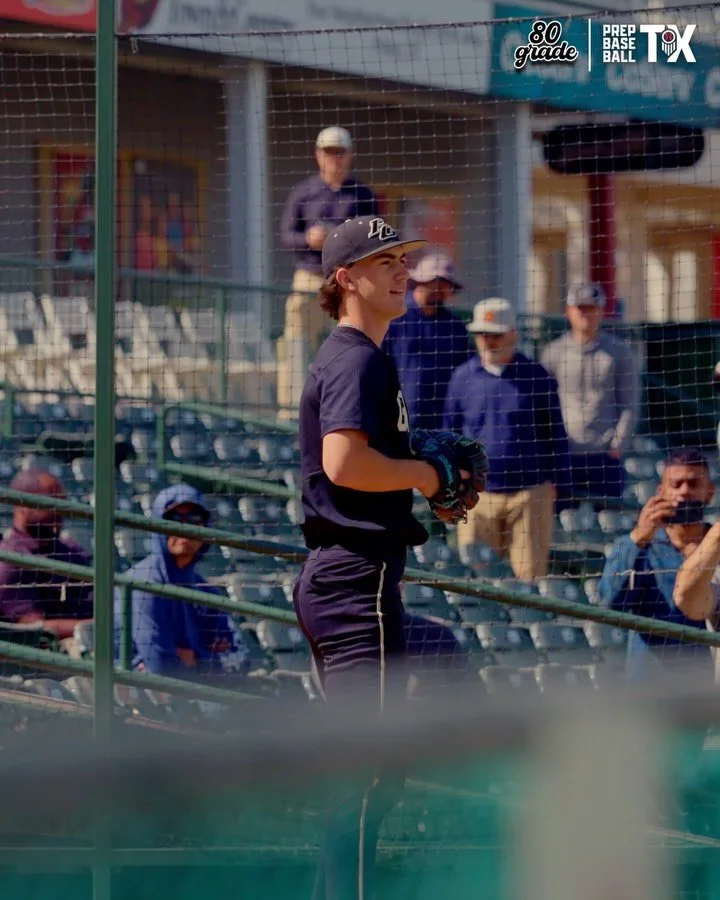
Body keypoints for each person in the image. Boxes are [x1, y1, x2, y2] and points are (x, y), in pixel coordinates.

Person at [292, 214, 474, 900]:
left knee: (367, 772)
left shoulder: (362, 355)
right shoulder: (355, 354)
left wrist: (413, 458)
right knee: (365, 775)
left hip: (355, 581)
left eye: (402, 256)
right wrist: (427, 477)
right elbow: (343, 462)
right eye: (384, 260)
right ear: (345, 279)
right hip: (352, 579)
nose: (402, 268)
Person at [443, 297, 571, 582]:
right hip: (477, 496)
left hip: (529, 495)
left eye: (495, 333)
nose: (488, 340)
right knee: (477, 581)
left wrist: (555, 484)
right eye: (482, 334)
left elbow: (556, 435)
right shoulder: (461, 378)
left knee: (528, 580)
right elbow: (449, 436)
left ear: (513, 333)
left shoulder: (537, 376)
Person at [277, 127, 379, 417]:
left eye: (340, 152)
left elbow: (376, 234)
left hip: (348, 278)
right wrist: (308, 239)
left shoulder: (362, 194)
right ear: (317, 155)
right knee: (296, 339)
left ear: (350, 155)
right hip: (309, 276)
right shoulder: (303, 192)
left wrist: (342, 237)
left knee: (350, 341)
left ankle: (346, 406)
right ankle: (292, 410)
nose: (334, 157)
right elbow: (286, 234)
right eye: (328, 151)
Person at [599, 448, 716, 682]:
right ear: (661, 492)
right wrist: (638, 540)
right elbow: (610, 604)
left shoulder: (717, 543)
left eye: (693, 484)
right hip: (652, 688)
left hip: (708, 688)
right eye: (677, 484)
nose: (684, 491)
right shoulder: (639, 547)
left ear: (709, 493)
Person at [115, 484, 249, 682]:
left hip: (195, 693)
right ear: (158, 525)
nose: (184, 528)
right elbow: (161, 666)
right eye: (175, 519)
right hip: (137, 696)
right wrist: (212, 661)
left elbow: (243, 659)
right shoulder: (143, 583)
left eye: (194, 520)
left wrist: (196, 658)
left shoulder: (205, 589)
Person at [540, 281, 640, 501]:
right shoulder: (553, 352)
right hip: (564, 453)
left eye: (592, 308)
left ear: (601, 311)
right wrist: (550, 447)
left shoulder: (620, 352)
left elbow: (629, 403)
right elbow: (543, 404)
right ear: (568, 311)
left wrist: (617, 444)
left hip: (604, 454)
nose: (586, 314)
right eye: (580, 307)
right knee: (561, 518)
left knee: (610, 521)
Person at [0, 470, 93, 641]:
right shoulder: (9, 560)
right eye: (51, 503)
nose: (59, 511)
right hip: (44, 658)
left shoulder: (73, 552)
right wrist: (96, 625)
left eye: (61, 502)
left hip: (90, 643)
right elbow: (34, 628)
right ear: (24, 504)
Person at [383, 252, 473, 430]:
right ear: (420, 281)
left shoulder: (455, 327)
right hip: (397, 418)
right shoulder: (393, 317)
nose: (441, 289)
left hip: (441, 423)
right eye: (436, 282)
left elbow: (465, 373)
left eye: (446, 285)